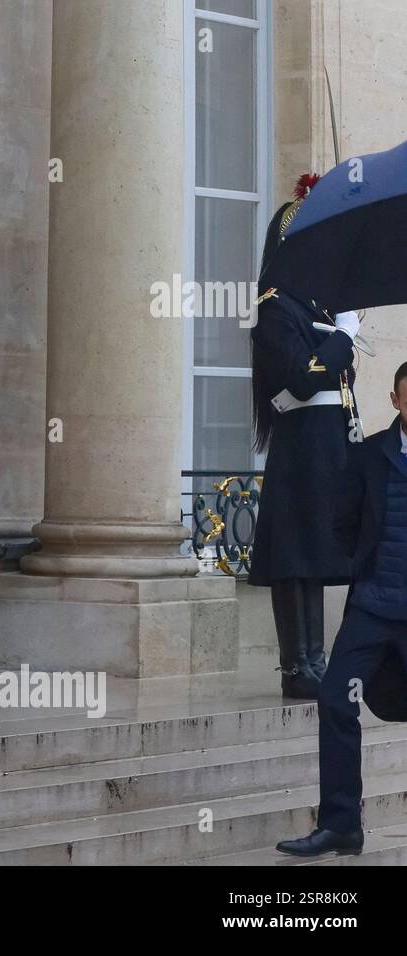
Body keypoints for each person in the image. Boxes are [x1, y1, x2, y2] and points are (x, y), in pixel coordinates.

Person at [277, 364, 407, 857]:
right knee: (335, 700)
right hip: (373, 610)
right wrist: (363, 570)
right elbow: (343, 524)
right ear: (395, 401)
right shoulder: (370, 454)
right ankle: (341, 824)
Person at [249, 176, 363, 700]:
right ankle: (297, 666)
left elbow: (338, 381)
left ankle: (315, 660)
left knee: (314, 555)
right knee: (295, 556)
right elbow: (304, 376)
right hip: (300, 447)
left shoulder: (313, 307)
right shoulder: (275, 306)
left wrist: (340, 329)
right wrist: (342, 336)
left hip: (327, 446)